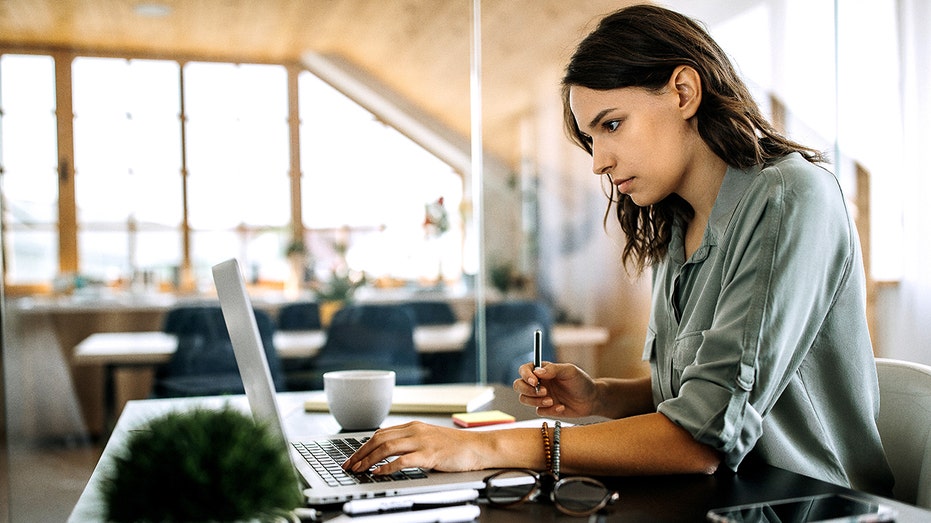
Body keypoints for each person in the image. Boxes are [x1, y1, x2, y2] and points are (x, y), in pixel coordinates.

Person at [343, 4, 894, 495]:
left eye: (611, 125)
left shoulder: (787, 197)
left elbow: (699, 441)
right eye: (591, 138)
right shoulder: (679, 220)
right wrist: (600, 397)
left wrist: (490, 446)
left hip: (808, 505)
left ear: (683, 92)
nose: (598, 162)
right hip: (711, 497)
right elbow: (690, 395)